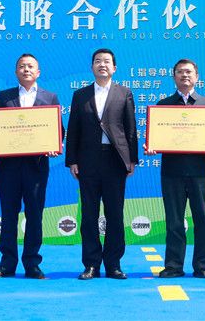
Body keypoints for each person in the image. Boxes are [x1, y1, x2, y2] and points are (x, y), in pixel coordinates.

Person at [145, 59, 205, 279]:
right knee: (174, 221)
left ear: (197, 76)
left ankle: (202, 265)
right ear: (174, 77)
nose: (185, 75)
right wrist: (152, 146)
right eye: (180, 72)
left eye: (189, 72)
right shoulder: (163, 105)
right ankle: (173, 266)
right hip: (172, 172)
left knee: (204, 220)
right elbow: (157, 138)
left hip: (200, 171)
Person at [0, 54, 62, 280]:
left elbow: (59, 130)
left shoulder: (50, 97)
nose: (26, 69)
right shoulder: (4, 96)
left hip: (36, 167)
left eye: (30, 66)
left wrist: (54, 144)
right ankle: (7, 263)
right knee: (8, 214)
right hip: (9, 167)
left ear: (38, 72)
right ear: (16, 71)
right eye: (21, 66)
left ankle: (32, 263)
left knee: (34, 215)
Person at [65, 48, 138, 280]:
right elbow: (73, 129)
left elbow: (131, 128)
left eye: (107, 61)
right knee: (89, 214)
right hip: (88, 160)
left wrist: (131, 159)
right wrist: (72, 160)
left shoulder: (124, 93)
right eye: (98, 61)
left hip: (115, 160)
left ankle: (113, 264)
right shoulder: (80, 95)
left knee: (115, 213)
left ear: (114, 68)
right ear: (92, 67)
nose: (102, 65)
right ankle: (91, 264)